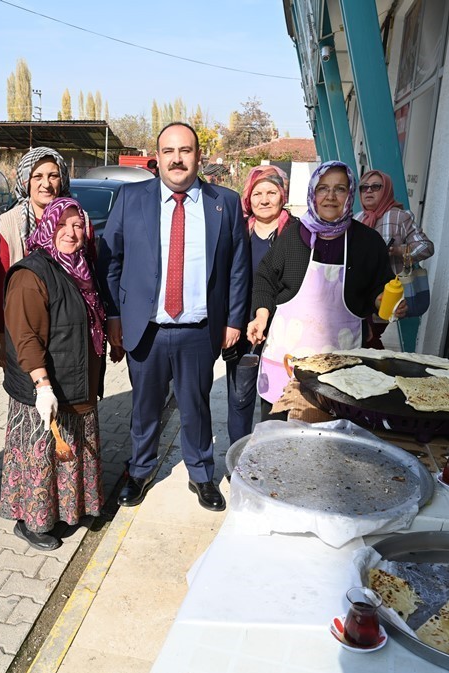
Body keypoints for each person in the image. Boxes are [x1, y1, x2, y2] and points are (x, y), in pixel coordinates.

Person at [102, 122, 250, 512]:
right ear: (158, 157)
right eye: (169, 151)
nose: (177, 159)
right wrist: (114, 316)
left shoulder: (226, 202)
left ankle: (201, 474)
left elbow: (238, 266)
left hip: (200, 331)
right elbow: (110, 261)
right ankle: (140, 470)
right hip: (146, 330)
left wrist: (234, 320)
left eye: (185, 151)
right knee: (144, 408)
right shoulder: (131, 198)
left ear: (198, 156)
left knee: (196, 408)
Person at [247, 160, 403, 420]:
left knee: (329, 444)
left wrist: (385, 301)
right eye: (322, 189)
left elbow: (380, 289)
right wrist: (261, 314)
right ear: (312, 194)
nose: (330, 197)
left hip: (340, 363)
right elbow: (265, 277)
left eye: (340, 189)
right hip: (286, 359)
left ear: (350, 194)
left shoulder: (367, 242)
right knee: (276, 440)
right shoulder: (293, 236)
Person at [1, 197, 106, 550]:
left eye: (78, 225)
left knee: (72, 449)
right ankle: (32, 522)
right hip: (45, 386)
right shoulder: (31, 274)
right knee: (43, 453)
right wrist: (43, 385)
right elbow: (25, 336)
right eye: (62, 224)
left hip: (78, 381)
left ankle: (69, 510)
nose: (71, 232)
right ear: (47, 227)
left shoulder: (83, 266)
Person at [225, 165, 295, 445]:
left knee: (277, 399)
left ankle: (270, 455)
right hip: (241, 327)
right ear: (248, 197)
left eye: (271, 192)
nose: (264, 200)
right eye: (257, 193)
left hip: (284, 331)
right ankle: (238, 457)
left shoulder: (297, 233)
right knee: (240, 396)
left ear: (283, 195)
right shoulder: (237, 231)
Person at [0, 147, 71, 366]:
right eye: (38, 176)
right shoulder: (7, 224)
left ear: (62, 179)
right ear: (25, 181)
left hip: (70, 334)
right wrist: (2, 341)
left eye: (53, 175)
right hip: (22, 334)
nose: (46, 183)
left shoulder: (79, 220)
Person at [355, 169, 434, 351]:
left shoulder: (399, 216)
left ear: (387, 190)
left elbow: (426, 246)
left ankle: (378, 372)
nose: (368, 191)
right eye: (364, 187)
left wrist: (401, 251)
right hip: (359, 292)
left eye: (375, 187)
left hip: (386, 292)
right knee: (364, 337)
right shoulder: (357, 218)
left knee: (370, 336)